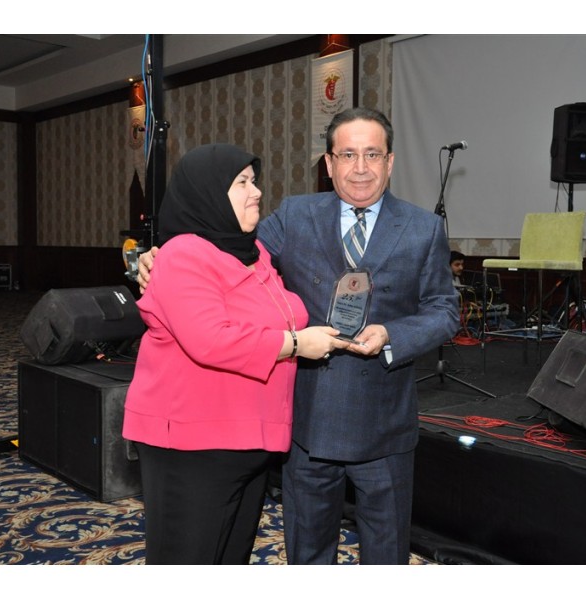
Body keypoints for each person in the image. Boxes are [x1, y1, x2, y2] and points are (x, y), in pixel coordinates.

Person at [137, 108, 459, 564]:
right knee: (308, 553)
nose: (360, 167)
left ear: (390, 161)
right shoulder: (295, 214)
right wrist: (157, 254)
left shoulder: (422, 228)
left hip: (384, 422)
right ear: (329, 163)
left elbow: (444, 311)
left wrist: (392, 334)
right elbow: (223, 245)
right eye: (347, 154)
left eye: (372, 154)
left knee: (387, 554)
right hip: (308, 421)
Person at [122, 143, 349, 565]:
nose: (257, 191)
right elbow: (210, 339)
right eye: (242, 182)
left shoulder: (253, 252)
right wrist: (297, 344)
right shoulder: (184, 254)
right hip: (193, 447)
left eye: (254, 180)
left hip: (248, 440)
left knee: (230, 559)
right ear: (208, 193)